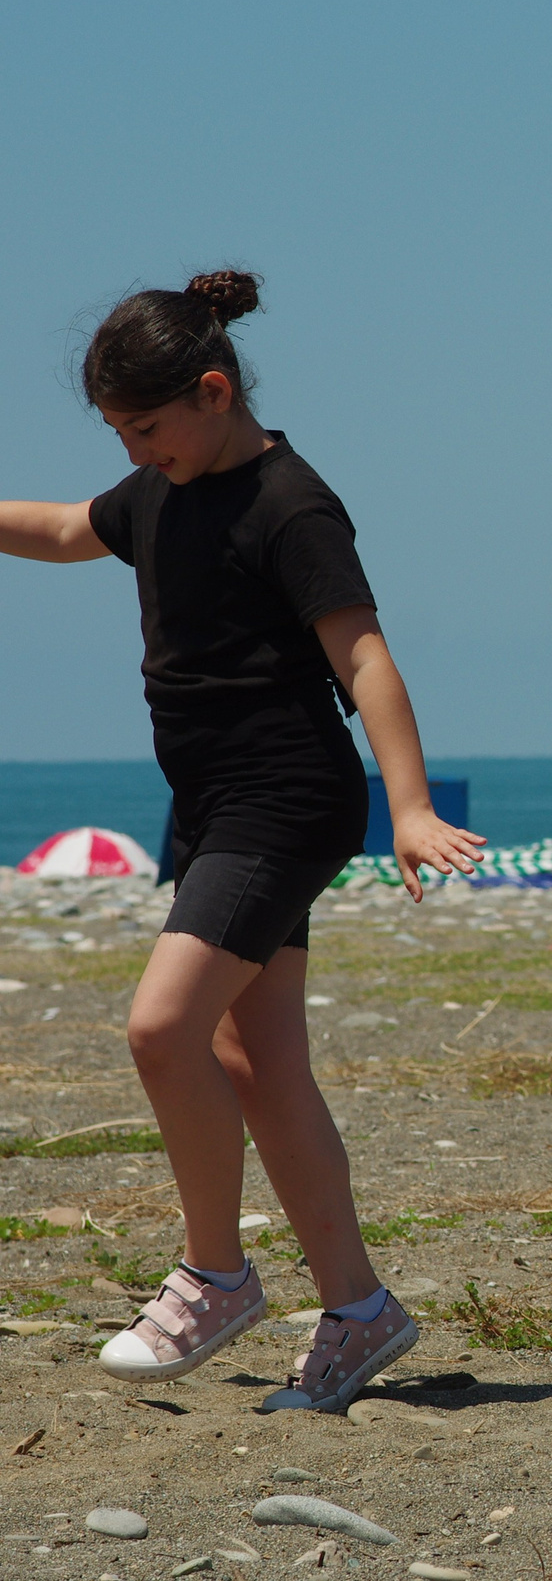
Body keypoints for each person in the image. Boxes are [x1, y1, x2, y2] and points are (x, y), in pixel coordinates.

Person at [0, 271, 483, 1411]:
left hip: (285, 799)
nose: (136, 449)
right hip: (212, 805)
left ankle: (216, 1273)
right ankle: (360, 1310)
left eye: (148, 426)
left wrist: (408, 805)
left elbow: (364, 657)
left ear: (214, 391)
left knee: (163, 1029)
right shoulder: (163, 487)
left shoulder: (289, 502)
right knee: (256, 1065)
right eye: (119, 432)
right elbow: (73, 527)